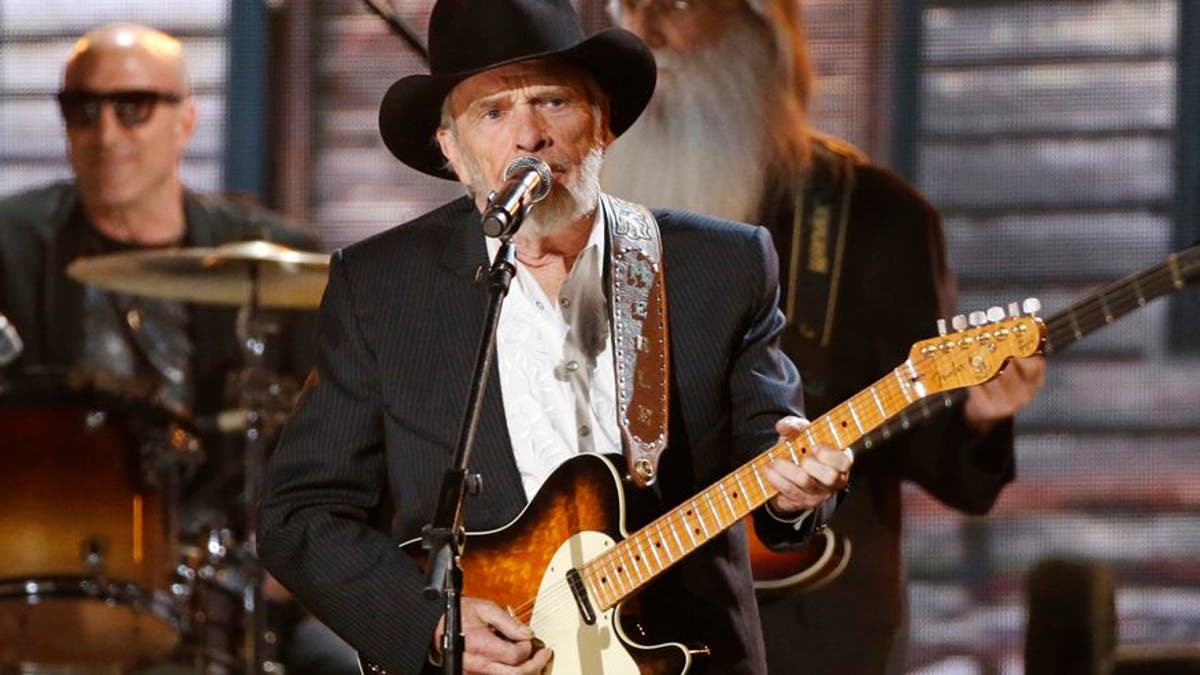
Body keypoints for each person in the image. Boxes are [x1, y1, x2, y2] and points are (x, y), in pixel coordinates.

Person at [257, 1, 853, 673]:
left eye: (553, 101)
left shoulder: (718, 265)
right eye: (493, 112)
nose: (529, 135)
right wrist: (429, 624)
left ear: (602, 125)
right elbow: (300, 511)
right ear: (452, 150)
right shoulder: (382, 286)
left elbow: (774, 452)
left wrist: (797, 491)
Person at [603, 1, 1047, 673]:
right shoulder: (582, 212)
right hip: (615, 612)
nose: (644, 31)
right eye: (622, 5)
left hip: (808, 629)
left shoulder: (876, 218)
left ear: (761, 30)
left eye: (678, 4)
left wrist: (979, 417)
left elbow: (937, 457)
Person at [0, 24, 355, 674]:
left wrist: (304, 557)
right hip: (49, 577)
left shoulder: (274, 257)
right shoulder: (13, 245)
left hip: (231, 583)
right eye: (83, 110)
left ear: (185, 120)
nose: (106, 133)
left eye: (133, 107)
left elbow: (349, 436)